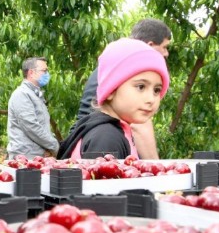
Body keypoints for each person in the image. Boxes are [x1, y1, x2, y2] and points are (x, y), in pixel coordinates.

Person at [73, 18, 172, 159]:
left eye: (157, 90)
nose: (151, 99)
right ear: (110, 90)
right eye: (141, 87)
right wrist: (158, 171)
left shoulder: (117, 129)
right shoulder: (107, 138)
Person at [6, 57, 60, 159]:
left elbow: (43, 128)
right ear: (31, 73)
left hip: (37, 158)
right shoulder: (21, 94)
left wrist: (46, 148)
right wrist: (55, 147)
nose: (47, 74)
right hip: (24, 159)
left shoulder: (35, 95)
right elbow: (32, 127)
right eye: (44, 71)